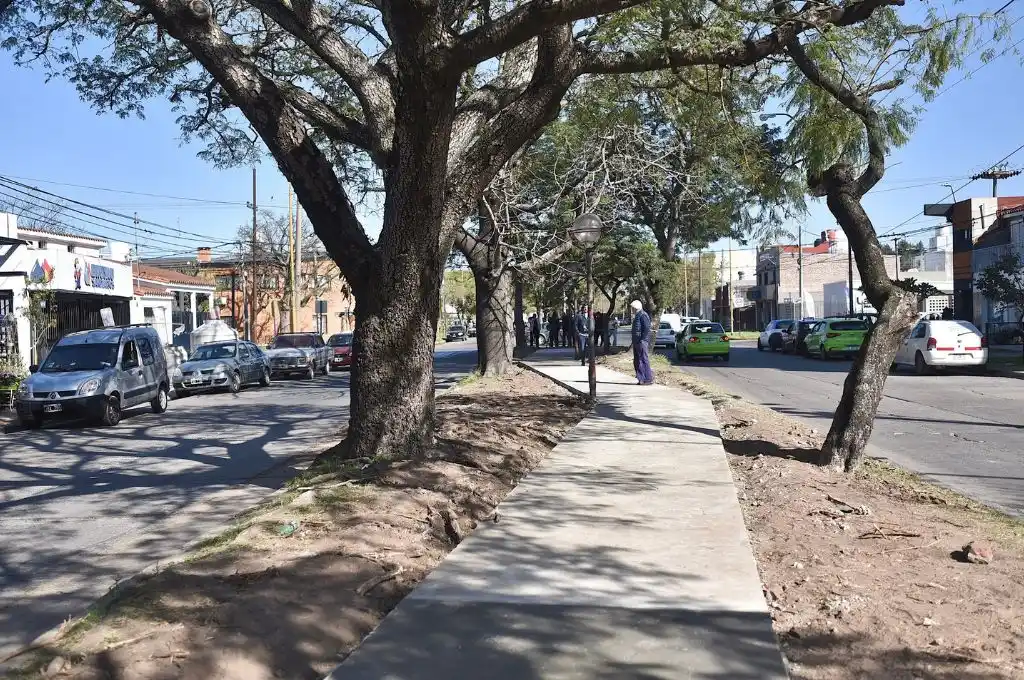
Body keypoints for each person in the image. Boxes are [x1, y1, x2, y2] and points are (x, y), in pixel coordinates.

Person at [630, 300, 654, 385]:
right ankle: (641, 378)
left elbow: (647, 328)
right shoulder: (637, 315)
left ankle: (647, 379)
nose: (631, 309)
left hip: (641, 342)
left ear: (636, 308)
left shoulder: (643, 315)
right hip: (637, 341)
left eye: (632, 308)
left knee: (643, 360)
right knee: (637, 360)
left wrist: (642, 339)